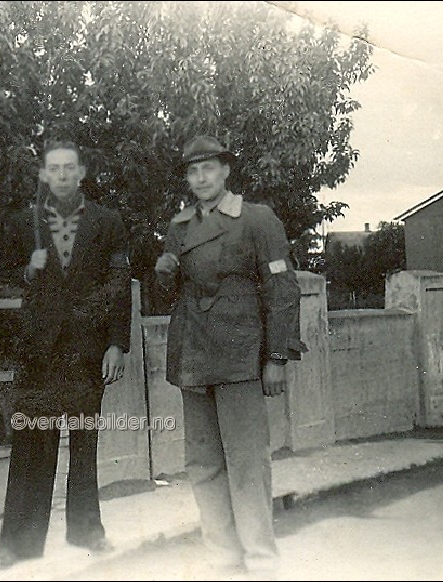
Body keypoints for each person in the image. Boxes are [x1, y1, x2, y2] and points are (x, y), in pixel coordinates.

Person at [153, 135, 304, 579]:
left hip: (240, 356)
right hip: (194, 355)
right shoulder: (179, 226)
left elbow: (282, 289)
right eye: (193, 171)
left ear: (225, 171)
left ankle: (261, 561)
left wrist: (276, 356)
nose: (201, 178)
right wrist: (163, 273)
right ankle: (222, 560)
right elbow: (170, 294)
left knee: (247, 464)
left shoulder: (256, 219)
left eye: (209, 168)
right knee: (203, 464)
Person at [0, 138, 131, 570]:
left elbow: (119, 285)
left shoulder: (107, 222)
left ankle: (88, 531)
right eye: (55, 168)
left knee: (84, 443)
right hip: (39, 352)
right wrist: (27, 269)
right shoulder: (23, 223)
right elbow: (3, 275)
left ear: (81, 173)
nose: (63, 175)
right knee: (32, 442)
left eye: (70, 167)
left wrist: (116, 343)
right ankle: (18, 543)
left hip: (87, 349)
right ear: (44, 175)